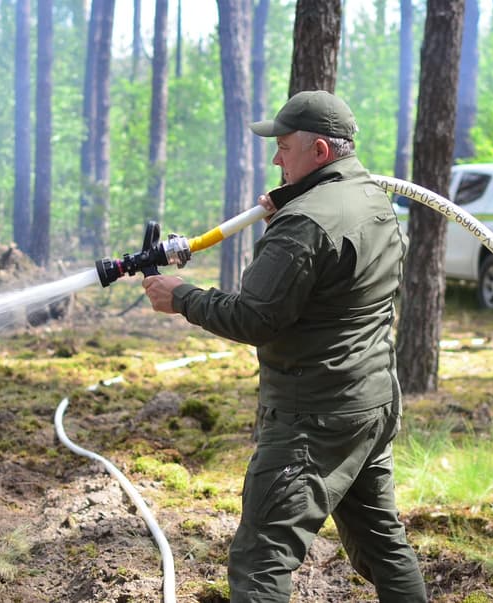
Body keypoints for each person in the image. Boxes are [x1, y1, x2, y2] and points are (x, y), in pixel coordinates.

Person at [142, 90, 427, 603]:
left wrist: (182, 297)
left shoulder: (304, 222)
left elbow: (256, 317)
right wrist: (283, 226)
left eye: (284, 146)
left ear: (319, 151)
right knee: (382, 545)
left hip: (313, 416)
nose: (276, 158)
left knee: (261, 557)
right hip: (371, 403)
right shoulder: (373, 200)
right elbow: (332, 286)